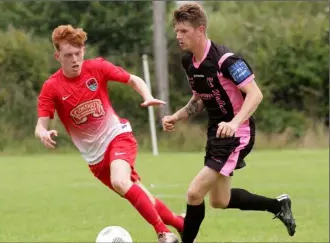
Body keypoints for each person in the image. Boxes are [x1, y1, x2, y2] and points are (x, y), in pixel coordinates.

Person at [35, 24, 183, 243]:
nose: (75, 60)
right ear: (58, 56)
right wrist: (43, 133)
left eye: (78, 53)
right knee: (145, 198)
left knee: (120, 181)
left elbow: (133, 79)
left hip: (118, 137)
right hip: (96, 161)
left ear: (83, 51)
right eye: (68, 55)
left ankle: (163, 233)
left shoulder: (97, 67)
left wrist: (147, 95)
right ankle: (183, 225)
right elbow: (40, 125)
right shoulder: (52, 87)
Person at [162, 3, 296, 243]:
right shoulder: (189, 62)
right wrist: (178, 115)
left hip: (237, 133)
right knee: (219, 201)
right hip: (217, 133)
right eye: (177, 31)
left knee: (194, 193)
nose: (178, 36)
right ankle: (278, 205)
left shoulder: (227, 60)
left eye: (184, 31)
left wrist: (234, 123)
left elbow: (255, 94)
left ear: (200, 30)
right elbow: (200, 98)